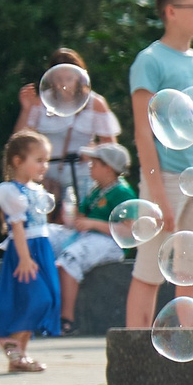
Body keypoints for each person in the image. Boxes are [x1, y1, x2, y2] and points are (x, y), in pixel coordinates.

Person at [127, 0, 193, 332]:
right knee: (150, 270)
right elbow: (142, 132)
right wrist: (159, 195)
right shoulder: (149, 61)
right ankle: (132, 361)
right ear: (170, 12)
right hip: (165, 177)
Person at [0, 129, 60, 370]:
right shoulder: (10, 191)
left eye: (46, 160)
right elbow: (17, 228)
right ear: (18, 161)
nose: (44, 166)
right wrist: (25, 258)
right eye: (39, 160)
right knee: (37, 298)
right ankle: (11, 343)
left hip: (41, 249)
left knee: (46, 299)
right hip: (25, 251)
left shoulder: (37, 190)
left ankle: (18, 355)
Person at [15, 47, 120, 209]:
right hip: (45, 175)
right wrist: (26, 109)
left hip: (83, 176)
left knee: (81, 224)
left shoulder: (95, 103)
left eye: (69, 78)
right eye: (58, 79)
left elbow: (111, 148)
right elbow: (19, 142)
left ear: (79, 78)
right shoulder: (40, 102)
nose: (63, 84)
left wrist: (94, 150)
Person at [56, 141, 137, 330]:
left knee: (70, 259)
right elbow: (80, 218)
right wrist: (71, 215)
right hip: (86, 238)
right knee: (46, 240)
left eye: (95, 163)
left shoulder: (122, 192)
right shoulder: (95, 190)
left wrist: (93, 224)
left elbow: (128, 231)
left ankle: (66, 319)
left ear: (108, 168)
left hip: (110, 243)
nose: (90, 166)